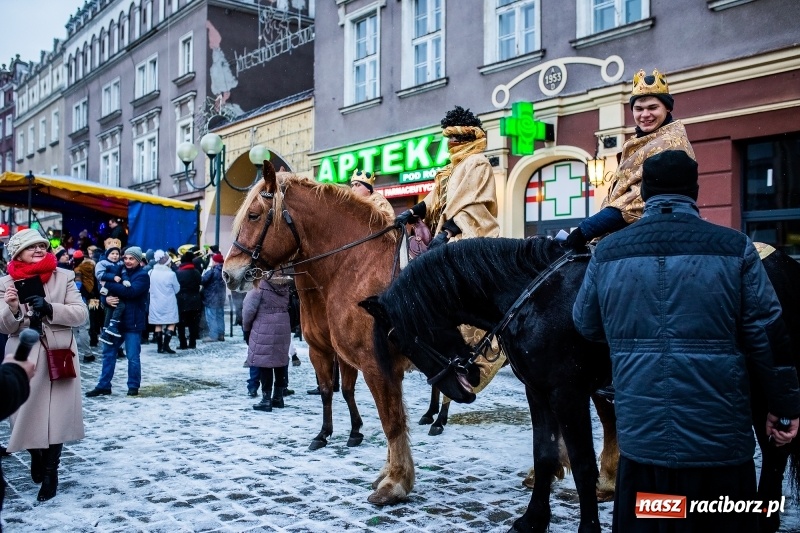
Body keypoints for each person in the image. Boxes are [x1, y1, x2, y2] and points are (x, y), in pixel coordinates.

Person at [572, 150, 800, 533]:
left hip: (644, 448)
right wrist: (785, 408)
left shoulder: (608, 252)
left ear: (644, 192)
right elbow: (769, 335)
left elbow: (586, 323)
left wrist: (633, 334)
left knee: (656, 522)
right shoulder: (736, 247)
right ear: (695, 191)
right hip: (720, 452)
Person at [0, 228, 88, 502]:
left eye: (42, 245)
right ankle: (35, 454)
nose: (39, 250)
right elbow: (5, 327)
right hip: (23, 353)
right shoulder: (6, 282)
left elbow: (81, 314)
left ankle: (51, 472)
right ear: (18, 254)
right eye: (31, 247)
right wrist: (13, 307)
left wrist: (51, 308)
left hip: (59, 352)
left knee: (57, 416)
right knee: (23, 413)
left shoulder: (64, 276)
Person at [565, 68, 695, 250]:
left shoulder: (671, 144)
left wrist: (586, 230)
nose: (645, 115)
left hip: (653, 237)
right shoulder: (641, 140)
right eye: (638, 109)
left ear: (667, 107)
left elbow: (637, 201)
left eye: (652, 107)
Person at [86, 246, 150, 397]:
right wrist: (105, 298)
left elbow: (130, 292)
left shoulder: (143, 276)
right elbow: (104, 293)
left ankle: (133, 386)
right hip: (114, 322)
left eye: (131, 258)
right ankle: (104, 385)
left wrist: (107, 284)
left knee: (133, 357)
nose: (127, 261)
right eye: (126, 258)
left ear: (138, 260)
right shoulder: (116, 270)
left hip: (133, 323)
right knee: (108, 354)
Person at [242, 277, 292, 412]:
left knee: (265, 363)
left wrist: (246, 328)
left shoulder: (260, 284)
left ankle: (266, 400)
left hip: (263, 325)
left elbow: (248, 309)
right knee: (281, 361)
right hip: (283, 324)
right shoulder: (285, 284)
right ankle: (278, 397)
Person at [0, 344, 35, 522]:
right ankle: (34, 449)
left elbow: (79, 316)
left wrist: (52, 313)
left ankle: (50, 464)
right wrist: (16, 374)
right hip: (19, 363)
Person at [95, 243, 130, 344]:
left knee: (111, 310)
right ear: (107, 254)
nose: (115, 255)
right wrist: (112, 277)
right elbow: (100, 275)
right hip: (108, 290)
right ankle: (112, 326)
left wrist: (125, 280)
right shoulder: (103, 263)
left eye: (117, 254)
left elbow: (124, 273)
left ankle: (106, 333)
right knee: (120, 305)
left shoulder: (120, 264)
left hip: (115, 288)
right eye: (112, 253)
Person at [148, 250, 180, 354]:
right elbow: (177, 289)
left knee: (158, 324)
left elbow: (148, 288)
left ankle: (159, 347)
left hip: (155, 302)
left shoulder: (151, 272)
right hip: (169, 302)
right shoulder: (171, 274)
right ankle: (166, 346)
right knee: (171, 322)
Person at [72, 250, 98, 363]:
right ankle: (94, 338)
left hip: (82, 299)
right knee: (93, 318)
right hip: (94, 298)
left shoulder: (78, 270)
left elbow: (78, 286)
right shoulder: (93, 266)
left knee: (81, 327)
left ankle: (85, 353)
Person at [175, 252, 202, 350]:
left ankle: (183, 343)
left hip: (181, 300)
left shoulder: (178, 273)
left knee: (181, 324)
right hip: (195, 300)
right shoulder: (196, 272)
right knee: (193, 323)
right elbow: (200, 283)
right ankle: (192, 343)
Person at [201, 252, 227, 342]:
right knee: (220, 316)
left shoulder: (212, 271)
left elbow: (203, 280)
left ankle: (213, 335)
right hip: (220, 298)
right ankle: (221, 334)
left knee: (211, 317)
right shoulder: (224, 271)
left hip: (211, 298)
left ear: (215, 262)